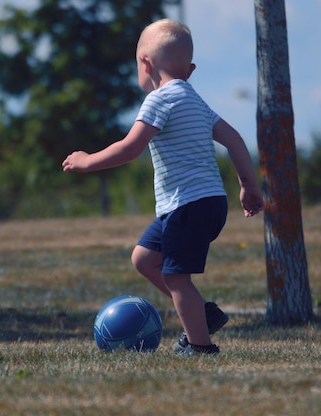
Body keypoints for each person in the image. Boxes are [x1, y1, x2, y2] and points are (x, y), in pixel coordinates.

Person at [62, 19, 264, 356]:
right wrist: (248, 186)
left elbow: (130, 148)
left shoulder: (159, 100)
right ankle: (202, 314)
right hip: (206, 203)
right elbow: (234, 140)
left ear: (145, 64)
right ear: (191, 69)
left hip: (187, 205)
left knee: (176, 278)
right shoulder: (196, 101)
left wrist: (87, 161)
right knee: (144, 259)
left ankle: (200, 346)